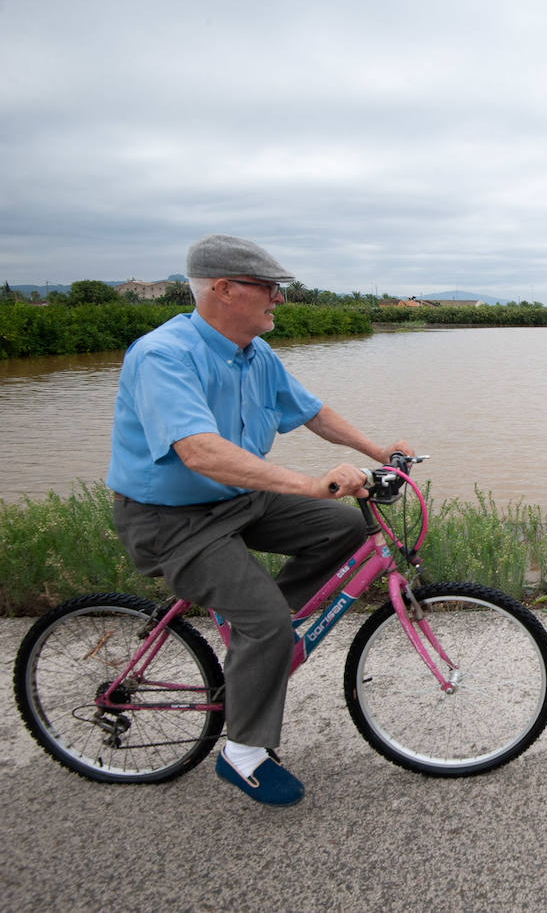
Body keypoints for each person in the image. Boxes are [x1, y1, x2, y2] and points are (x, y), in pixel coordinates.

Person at [106, 234, 412, 807]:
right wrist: (306, 482)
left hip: (235, 501)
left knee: (342, 526)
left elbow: (313, 412)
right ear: (223, 290)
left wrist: (380, 454)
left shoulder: (254, 352)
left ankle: (257, 637)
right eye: (268, 288)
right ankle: (241, 751)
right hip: (171, 519)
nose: (278, 298)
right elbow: (198, 451)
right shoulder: (163, 355)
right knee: (268, 622)